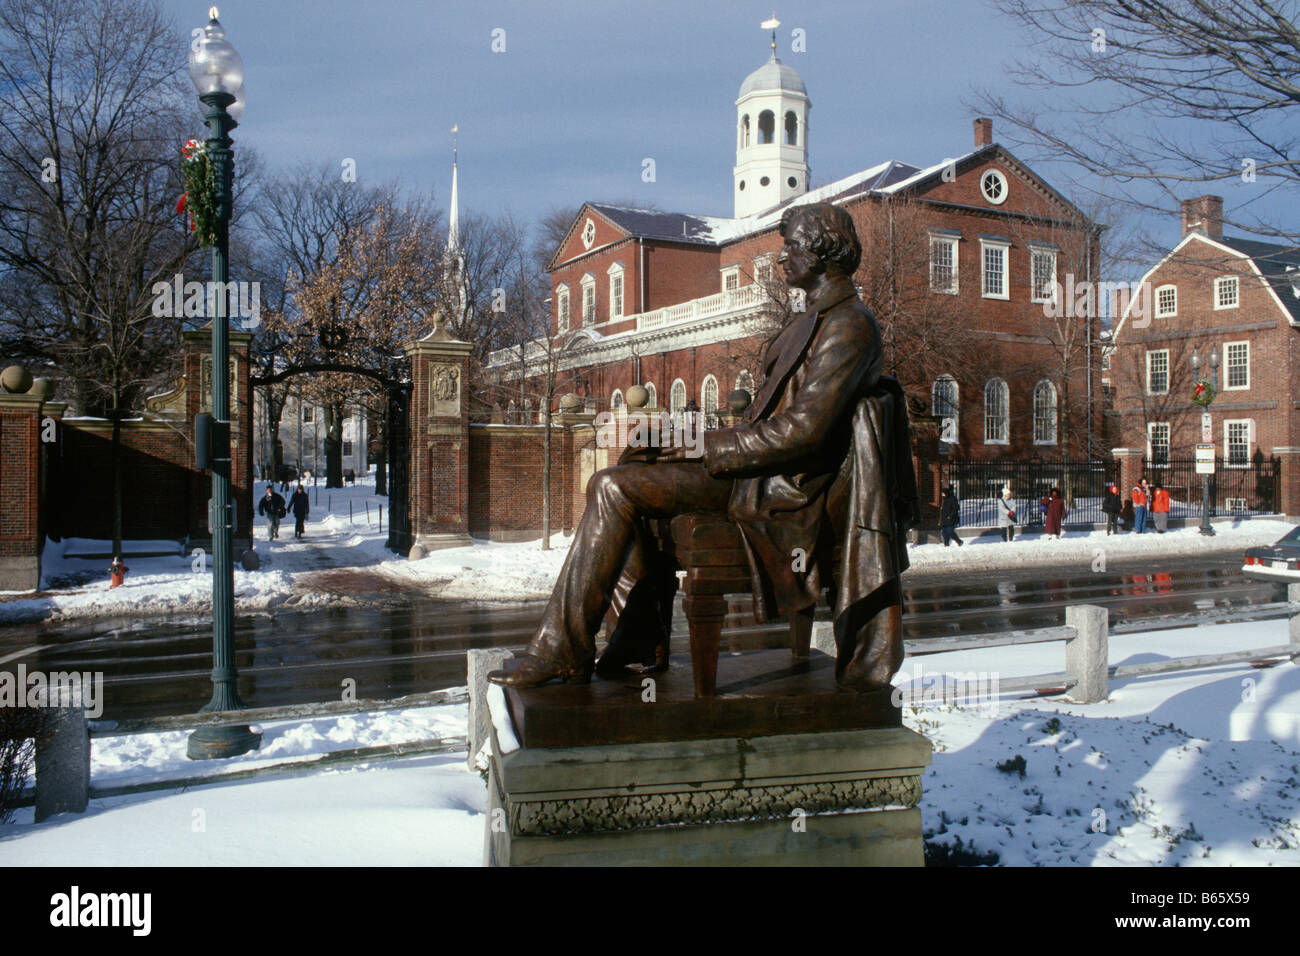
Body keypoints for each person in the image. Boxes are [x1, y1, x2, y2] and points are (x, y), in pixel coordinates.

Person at [490, 202, 918, 692]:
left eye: (792, 245)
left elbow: (803, 432)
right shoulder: (813, 320)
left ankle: (563, 649)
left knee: (612, 486)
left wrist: (703, 446)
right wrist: (682, 439)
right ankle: (633, 640)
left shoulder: (850, 325)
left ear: (823, 250)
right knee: (639, 454)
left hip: (785, 489)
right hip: (759, 472)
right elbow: (768, 422)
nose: (782, 258)